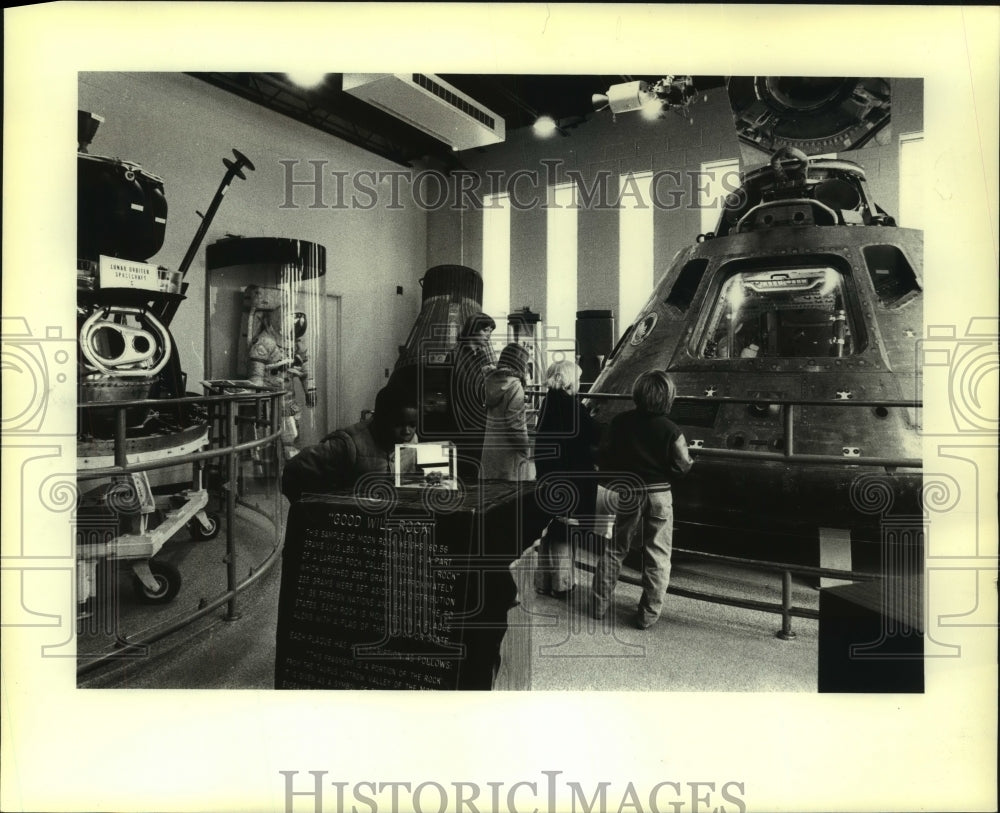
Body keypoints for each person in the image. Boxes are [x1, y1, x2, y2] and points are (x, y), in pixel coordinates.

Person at [591, 370, 694, 629]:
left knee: (616, 548)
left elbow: (605, 455)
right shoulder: (671, 430)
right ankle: (648, 615)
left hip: (629, 492)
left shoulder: (620, 422)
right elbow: (683, 465)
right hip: (659, 495)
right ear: (667, 396)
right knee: (657, 554)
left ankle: (598, 606)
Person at [531, 359, 601, 598]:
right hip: (571, 478)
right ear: (571, 380)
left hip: (548, 475)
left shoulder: (548, 403)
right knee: (565, 532)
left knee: (551, 530)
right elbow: (594, 434)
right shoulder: (573, 407)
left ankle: (543, 581)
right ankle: (562, 584)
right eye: (578, 378)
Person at [281, 382, 418, 503]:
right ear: (379, 419)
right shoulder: (346, 445)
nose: (407, 432)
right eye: (398, 424)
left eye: (412, 425)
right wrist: (312, 514)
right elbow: (293, 471)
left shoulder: (412, 441)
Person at [248, 303, 317, 459]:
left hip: (287, 400)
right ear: (280, 320)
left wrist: (310, 390)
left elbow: (306, 369)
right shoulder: (265, 342)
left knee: (291, 438)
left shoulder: (296, 343)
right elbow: (256, 376)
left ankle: (289, 471)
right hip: (267, 401)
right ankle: (270, 475)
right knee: (266, 442)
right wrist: (256, 401)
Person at [450, 312, 496, 481]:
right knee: (465, 473)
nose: (489, 335)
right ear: (473, 329)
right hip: (465, 426)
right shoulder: (457, 356)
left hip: (478, 423)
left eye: (491, 331)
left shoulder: (480, 355)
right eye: (486, 330)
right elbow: (461, 390)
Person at [480, 342, 535, 482]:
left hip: (491, 452)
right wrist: (525, 446)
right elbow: (515, 425)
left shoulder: (491, 381)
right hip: (510, 455)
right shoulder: (515, 386)